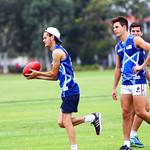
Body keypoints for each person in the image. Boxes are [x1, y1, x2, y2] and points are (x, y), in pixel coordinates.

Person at [26, 27, 102, 150]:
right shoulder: (56, 52)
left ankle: (74, 148)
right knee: (61, 123)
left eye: (45, 37)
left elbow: (53, 74)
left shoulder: (57, 52)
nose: (43, 40)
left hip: (70, 90)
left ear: (52, 37)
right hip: (67, 91)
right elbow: (56, 77)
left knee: (66, 121)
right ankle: (93, 118)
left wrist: (38, 73)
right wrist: (37, 77)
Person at [111, 16, 150, 150]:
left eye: (116, 27)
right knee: (125, 113)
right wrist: (114, 87)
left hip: (138, 81)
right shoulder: (118, 47)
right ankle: (127, 145)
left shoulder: (135, 40)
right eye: (113, 27)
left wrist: (141, 66)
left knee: (141, 112)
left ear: (124, 27)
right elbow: (117, 67)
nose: (114, 30)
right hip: (125, 83)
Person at [129, 22, 150, 148]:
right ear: (130, 33)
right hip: (134, 82)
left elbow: (144, 66)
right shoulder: (129, 46)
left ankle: (132, 136)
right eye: (133, 31)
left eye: (138, 31)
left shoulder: (140, 47)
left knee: (144, 108)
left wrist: (149, 79)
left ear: (141, 33)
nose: (136, 33)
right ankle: (131, 136)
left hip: (140, 80)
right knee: (139, 110)